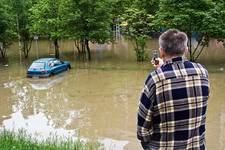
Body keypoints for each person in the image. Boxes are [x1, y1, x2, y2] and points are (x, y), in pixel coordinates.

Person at [137, 29, 210, 150]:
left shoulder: (155, 79)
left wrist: (161, 71)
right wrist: (163, 67)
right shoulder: (203, 72)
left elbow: (142, 129)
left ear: (161, 52)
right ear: (186, 49)